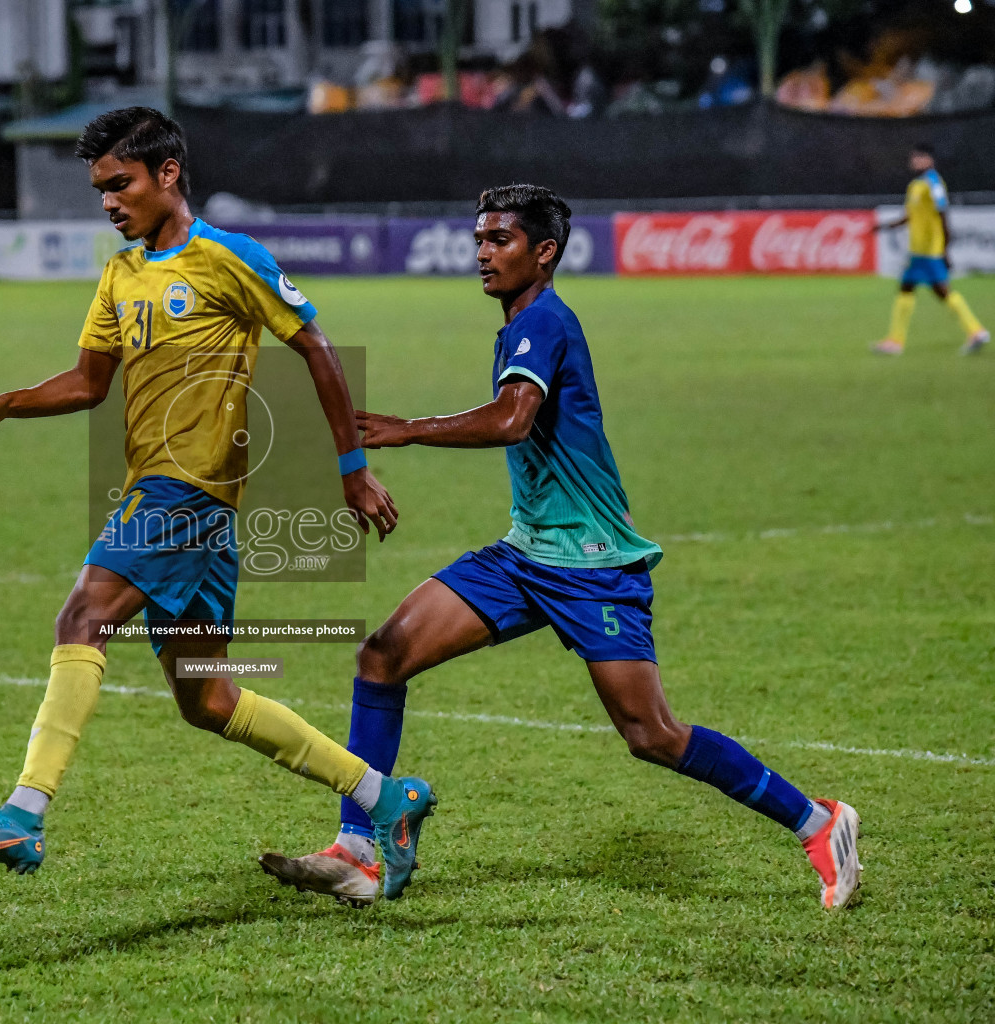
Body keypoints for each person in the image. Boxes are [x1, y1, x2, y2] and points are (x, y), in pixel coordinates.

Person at [260, 185, 862, 910]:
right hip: (527, 555)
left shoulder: (543, 321)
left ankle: (818, 821)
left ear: (543, 252)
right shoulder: (519, 323)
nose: (483, 253)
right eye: (479, 238)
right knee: (383, 655)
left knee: (653, 734)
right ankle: (362, 847)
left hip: (592, 565)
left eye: (500, 240)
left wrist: (409, 427)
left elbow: (515, 419)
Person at [0, 107, 436, 901]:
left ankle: (22, 816)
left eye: (119, 184)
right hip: (172, 500)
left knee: (81, 617)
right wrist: (8, 404)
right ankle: (380, 794)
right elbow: (92, 382)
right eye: (99, 189)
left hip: (185, 494)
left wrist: (351, 467)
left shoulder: (228, 258)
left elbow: (316, 349)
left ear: (168, 175)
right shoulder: (122, 274)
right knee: (207, 698)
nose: (108, 203)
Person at [873, 143, 988, 356]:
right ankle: (975, 331)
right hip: (918, 251)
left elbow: (943, 212)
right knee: (914, 288)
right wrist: (886, 226)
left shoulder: (933, 183)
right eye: (913, 157)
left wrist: (945, 249)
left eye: (918, 157)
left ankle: (975, 331)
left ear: (929, 159)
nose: (914, 161)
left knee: (937, 290)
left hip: (929, 250)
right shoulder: (916, 186)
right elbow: (910, 216)